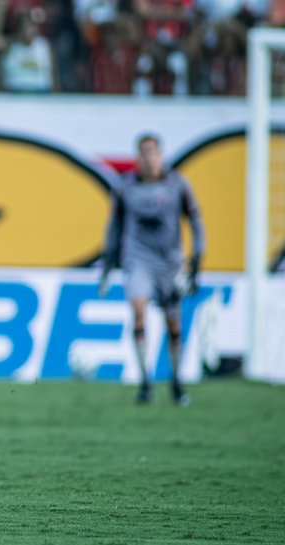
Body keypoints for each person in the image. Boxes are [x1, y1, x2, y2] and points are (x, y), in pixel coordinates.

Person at [100, 133, 204, 406]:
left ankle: (176, 380)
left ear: (160, 155)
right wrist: (108, 264)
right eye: (143, 152)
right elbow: (115, 226)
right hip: (137, 259)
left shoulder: (177, 185)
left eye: (152, 152)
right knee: (138, 312)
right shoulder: (125, 188)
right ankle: (145, 381)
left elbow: (195, 221)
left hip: (170, 261)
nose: (148, 158)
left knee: (173, 323)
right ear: (137, 156)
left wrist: (197, 261)